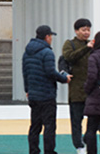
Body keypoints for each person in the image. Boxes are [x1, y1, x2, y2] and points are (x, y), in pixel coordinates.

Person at [22, 25, 71, 154]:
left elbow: (25, 72)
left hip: (33, 94)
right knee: (49, 126)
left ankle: (33, 151)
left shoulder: (27, 52)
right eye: (51, 36)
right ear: (47, 37)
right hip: (46, 95)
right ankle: (49, 151)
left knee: (35, 126)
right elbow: (50, 72)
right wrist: (64, 79)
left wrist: (27, 89)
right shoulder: (47, 52)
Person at [63, 18, 94, 154]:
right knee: (76, 122)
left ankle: (87, 141)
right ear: (76, 31)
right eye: (83, 30)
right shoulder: (69, 44)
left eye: (88, 29)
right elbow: (69, 57)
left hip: (92, 91)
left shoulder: (92, 45)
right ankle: (79, 146)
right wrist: (85, 49)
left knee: (94, 121)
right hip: (76, 91)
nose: (87, 32)